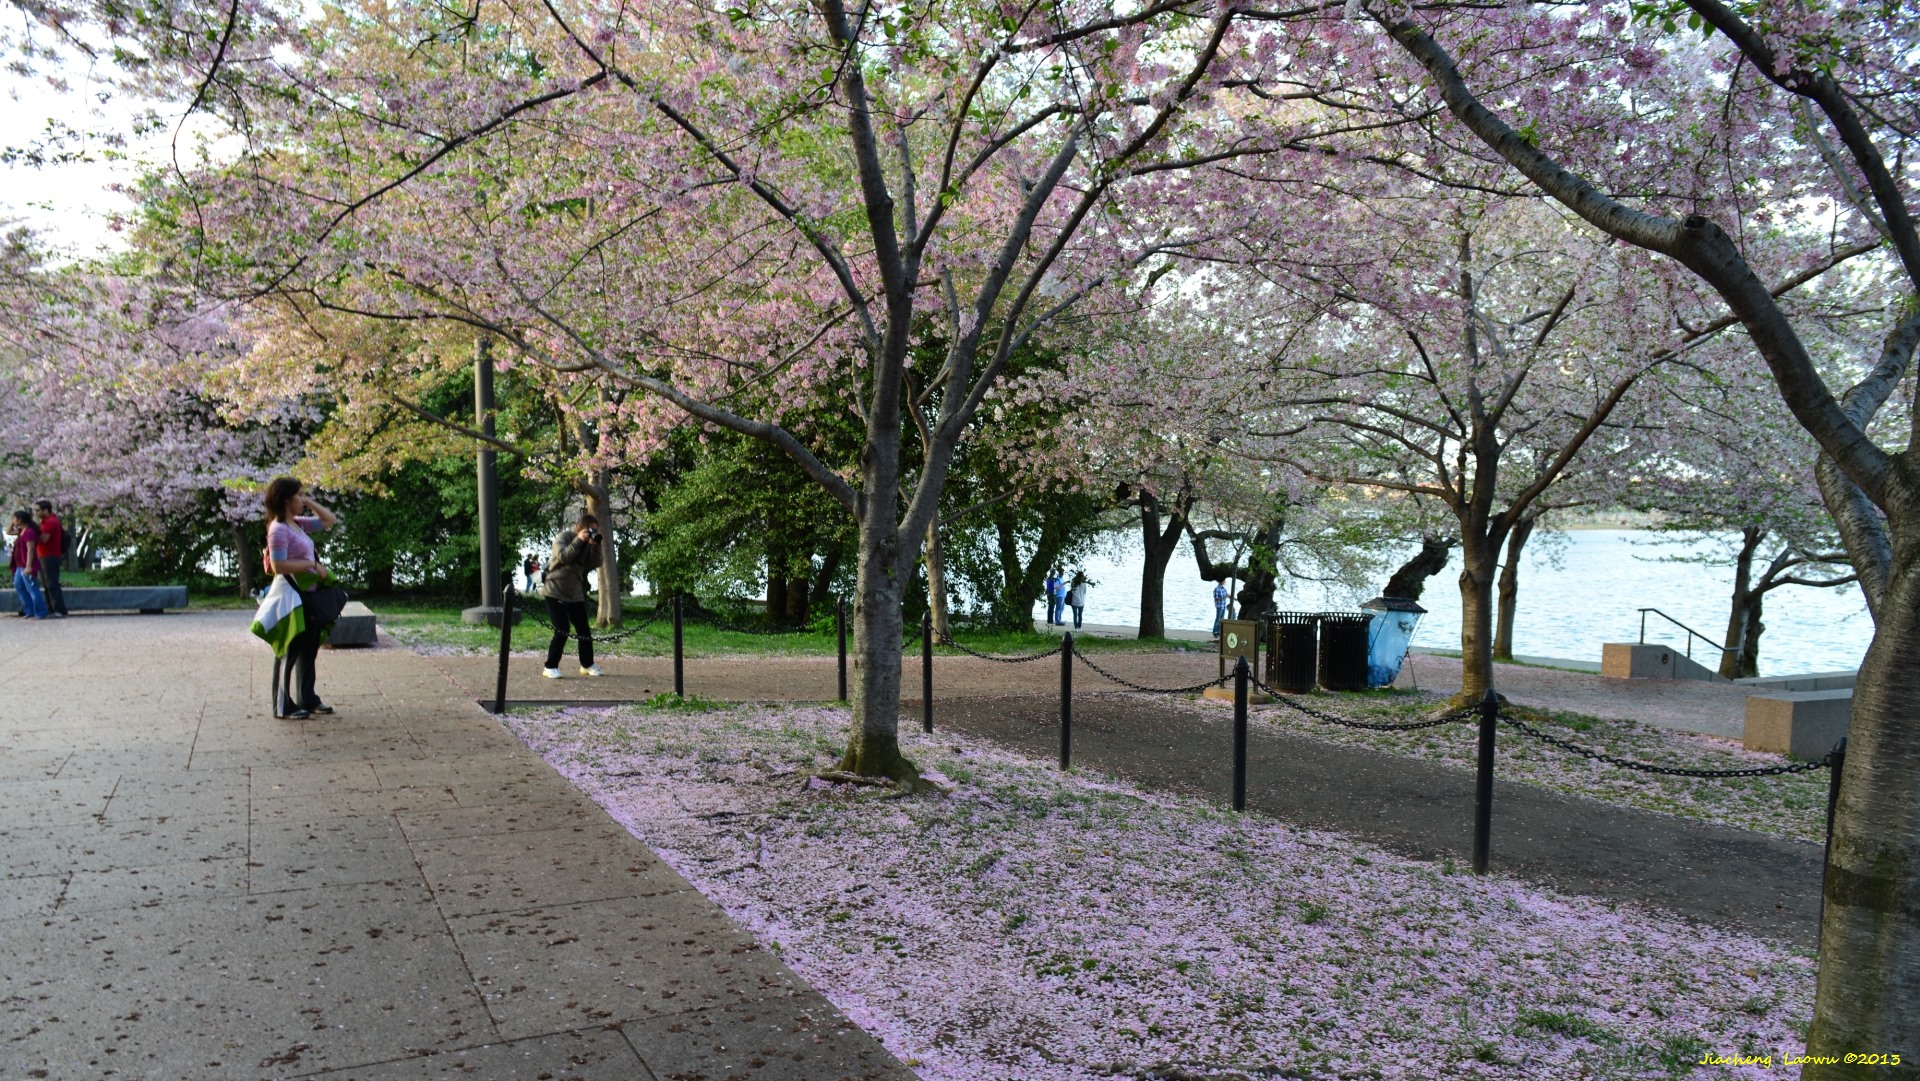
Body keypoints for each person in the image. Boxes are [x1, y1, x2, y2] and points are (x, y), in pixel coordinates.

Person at [264, 477, 341, 719]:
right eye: (298, 495)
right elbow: (278, 565)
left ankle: (307, 698)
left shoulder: (298, 524)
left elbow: (330, 520)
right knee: (290, 649)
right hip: (291, 597)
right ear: (287, 499)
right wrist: (311, 564)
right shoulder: (278, 529)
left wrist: (310, 503)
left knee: (309, 649)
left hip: (308, 596)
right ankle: (282, 705)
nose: (302, 499)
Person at [540, 512, 604, 678]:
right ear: (579, 528)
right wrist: (579, 540)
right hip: (554, 589)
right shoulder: (564, 537)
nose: (591, 533)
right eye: (589, 530)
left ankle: (587, 664)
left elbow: (597, 563)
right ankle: (550, 666)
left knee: (584, 630)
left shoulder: (590, 543)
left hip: (574, 591)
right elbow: (563, 557)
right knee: (562, 628)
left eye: (594, 530)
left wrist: (596, 546)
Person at [8, 510, 48, 619]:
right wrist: (13, 522)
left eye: (15, 518)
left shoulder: (29, 532)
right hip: (19, 565)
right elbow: (8, 531)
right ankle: (29, 609)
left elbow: (30, 550)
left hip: (27, 565)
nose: (13, 520)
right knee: (19, 585)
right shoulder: (21, 530)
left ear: (20, 520)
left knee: (32, 588)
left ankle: (41, 612)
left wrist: (29, 566)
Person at [31, 500, 67, 618]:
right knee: (46, 583)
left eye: (38, 510)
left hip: (49, 555)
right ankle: (51, 608)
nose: (36, 513)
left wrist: (33, 535)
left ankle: (59, 609)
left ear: (46, 510)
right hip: (43, 555)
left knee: (51, 583)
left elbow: (44, 539)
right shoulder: (45, 522)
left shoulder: (50, 522)